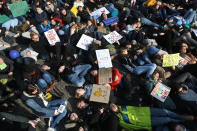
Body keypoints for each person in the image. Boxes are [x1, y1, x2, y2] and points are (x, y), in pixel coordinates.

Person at [110, 103, 196, 131]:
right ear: (112, 112)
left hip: (147, 111)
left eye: (113, 105)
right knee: (167, 119)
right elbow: (133, 127)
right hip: (148, 121)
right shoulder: (120, 121)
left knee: (166, 112)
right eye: (112, 107)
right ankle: (182, 121)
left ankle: (182, 118)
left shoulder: (123, 107)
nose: (113, 106)